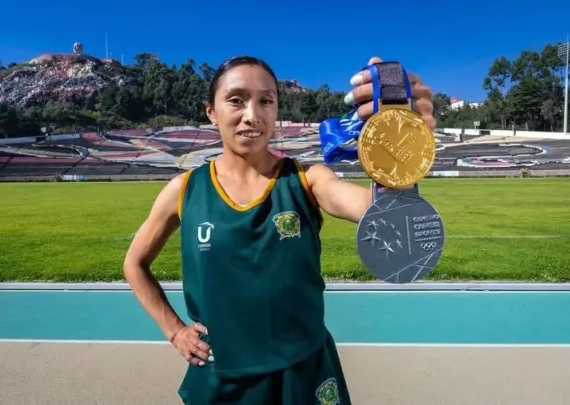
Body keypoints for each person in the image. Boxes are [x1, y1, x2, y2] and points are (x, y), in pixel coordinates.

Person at [123, 55, 435, 404]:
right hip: (223, 381)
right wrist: (175, 331)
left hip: (306, 378)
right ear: (211, 111)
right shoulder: (184, 190)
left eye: (265, 101)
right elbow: (134, 263)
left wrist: (404, 149)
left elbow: (387, 217)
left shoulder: (306, 180)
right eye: (236, 100)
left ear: (276, 110)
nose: (252, 115)